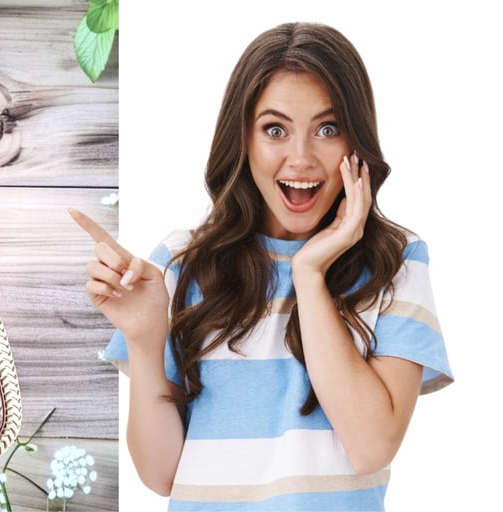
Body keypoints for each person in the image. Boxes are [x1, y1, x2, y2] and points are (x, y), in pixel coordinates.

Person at [71, 21, 453, 511]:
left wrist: (309, 276)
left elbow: (371, 446)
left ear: (356, 143)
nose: (301, 158)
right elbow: (161, 474)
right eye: (275, 129)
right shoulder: (183, 263)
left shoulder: (396, 261)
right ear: (244, 140)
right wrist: (146, 340)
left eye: (328, 128)